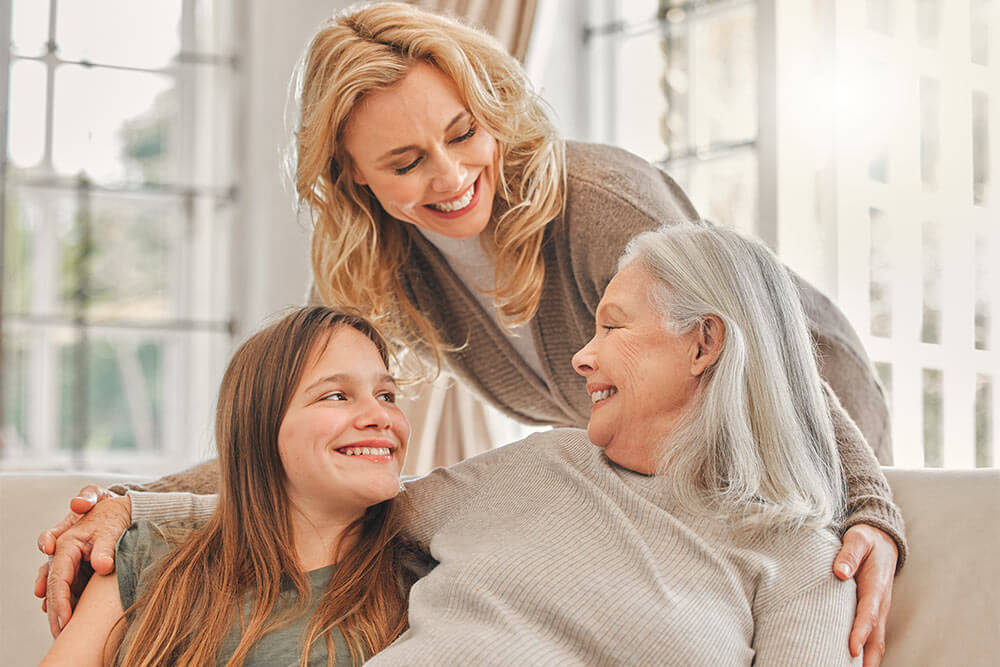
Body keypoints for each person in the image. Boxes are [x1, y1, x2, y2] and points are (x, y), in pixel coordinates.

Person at [36, 3, 902, 662]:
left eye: (463, 134)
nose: (450, 178)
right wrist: (136, 500)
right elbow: (296, 437)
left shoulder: (601, 203)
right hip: (644, 454)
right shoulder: (378, 267)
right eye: (405, 164)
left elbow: (754, 351)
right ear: (354, 180)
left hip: (815, 407)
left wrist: (875, 509)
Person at [104, 223, 864, 663]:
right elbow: (323, 494)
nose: (580, 357)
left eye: (612, 325)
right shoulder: (538, 463)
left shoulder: (801, 563)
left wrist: (876, 512)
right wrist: (134, 506)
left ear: (704, 343)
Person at [40, 307, 422, 665]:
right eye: (336, 395)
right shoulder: (146, 553)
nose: (380, 415)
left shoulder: (422, 587)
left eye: (386, 395)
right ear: (260, 427)